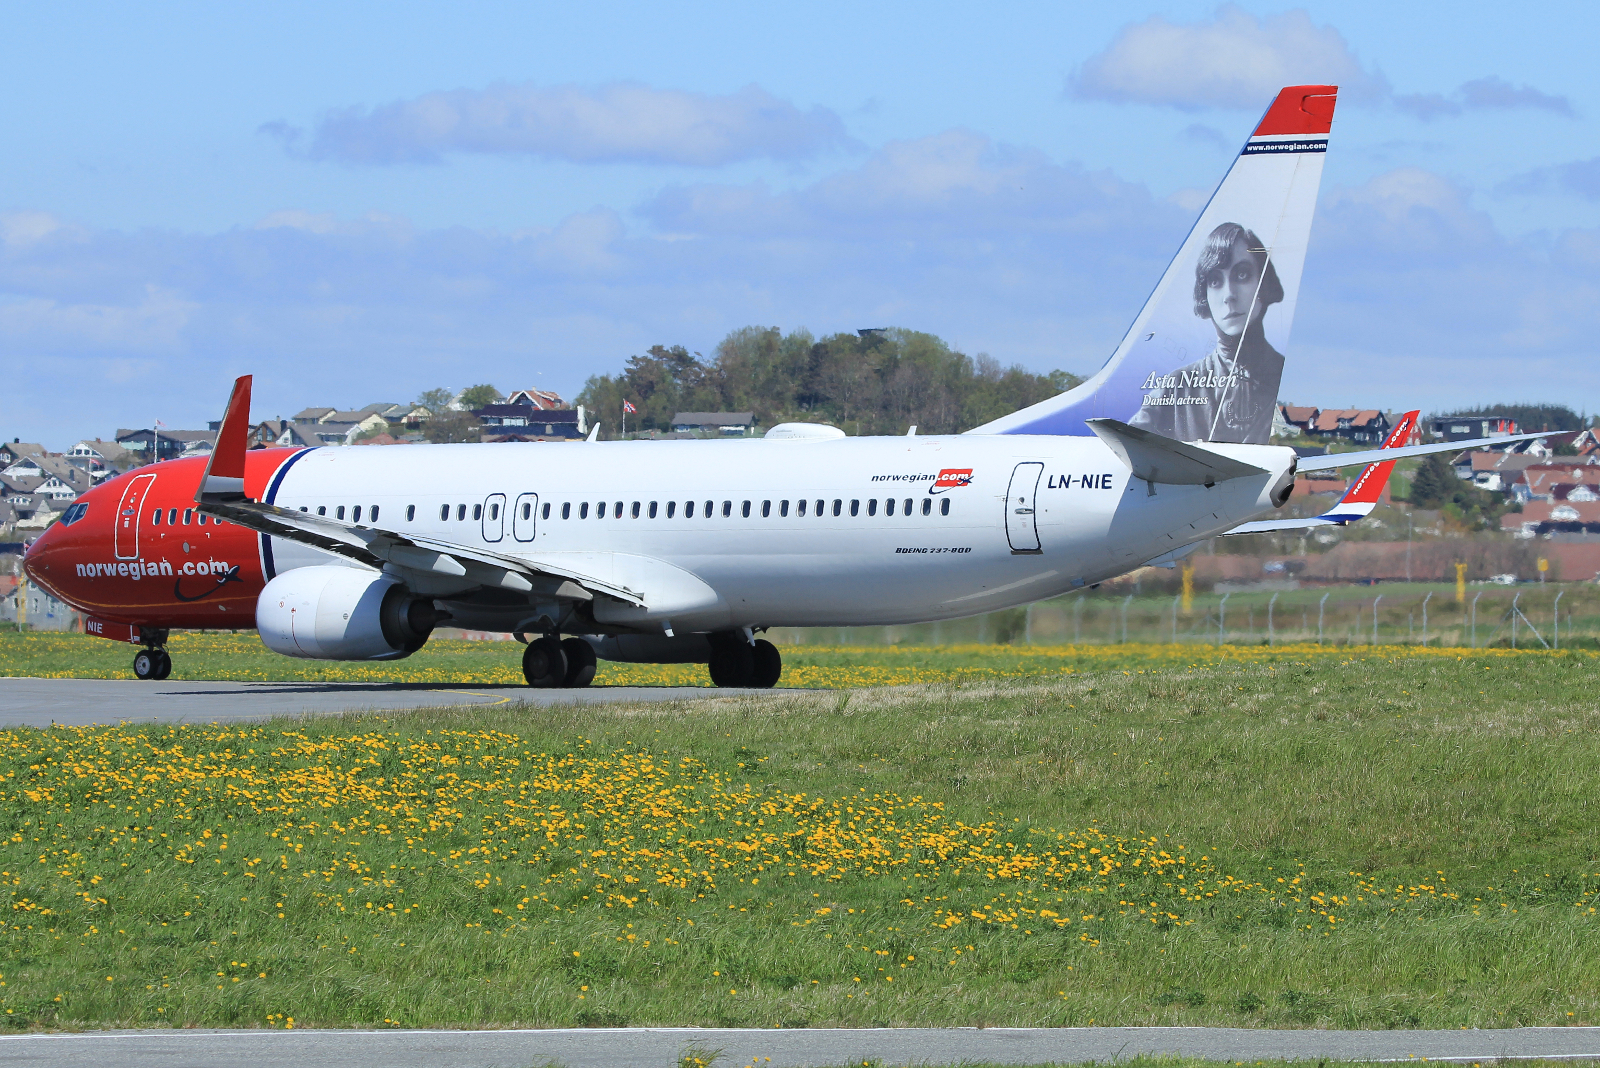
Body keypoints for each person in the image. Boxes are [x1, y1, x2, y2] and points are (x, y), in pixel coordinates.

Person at [1131, 222, 1285, 444]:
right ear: (1205, 295)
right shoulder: (1174, 389)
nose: (1228, 295)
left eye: (1242, 275)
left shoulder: (1282, 378)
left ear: (1263, 283)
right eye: (1215, 280)